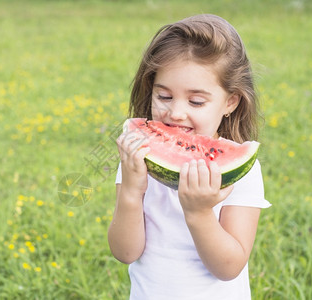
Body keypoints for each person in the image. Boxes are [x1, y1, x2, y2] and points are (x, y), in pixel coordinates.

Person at [108, 14, 271, 299]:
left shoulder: (243, 172)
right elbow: (125, 252)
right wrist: (132, 192)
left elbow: (229, 266)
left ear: (230, 102)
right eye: (164, 97)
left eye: (196, 101)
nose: (176, 113)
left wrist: (199, 213)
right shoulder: (139, 159)